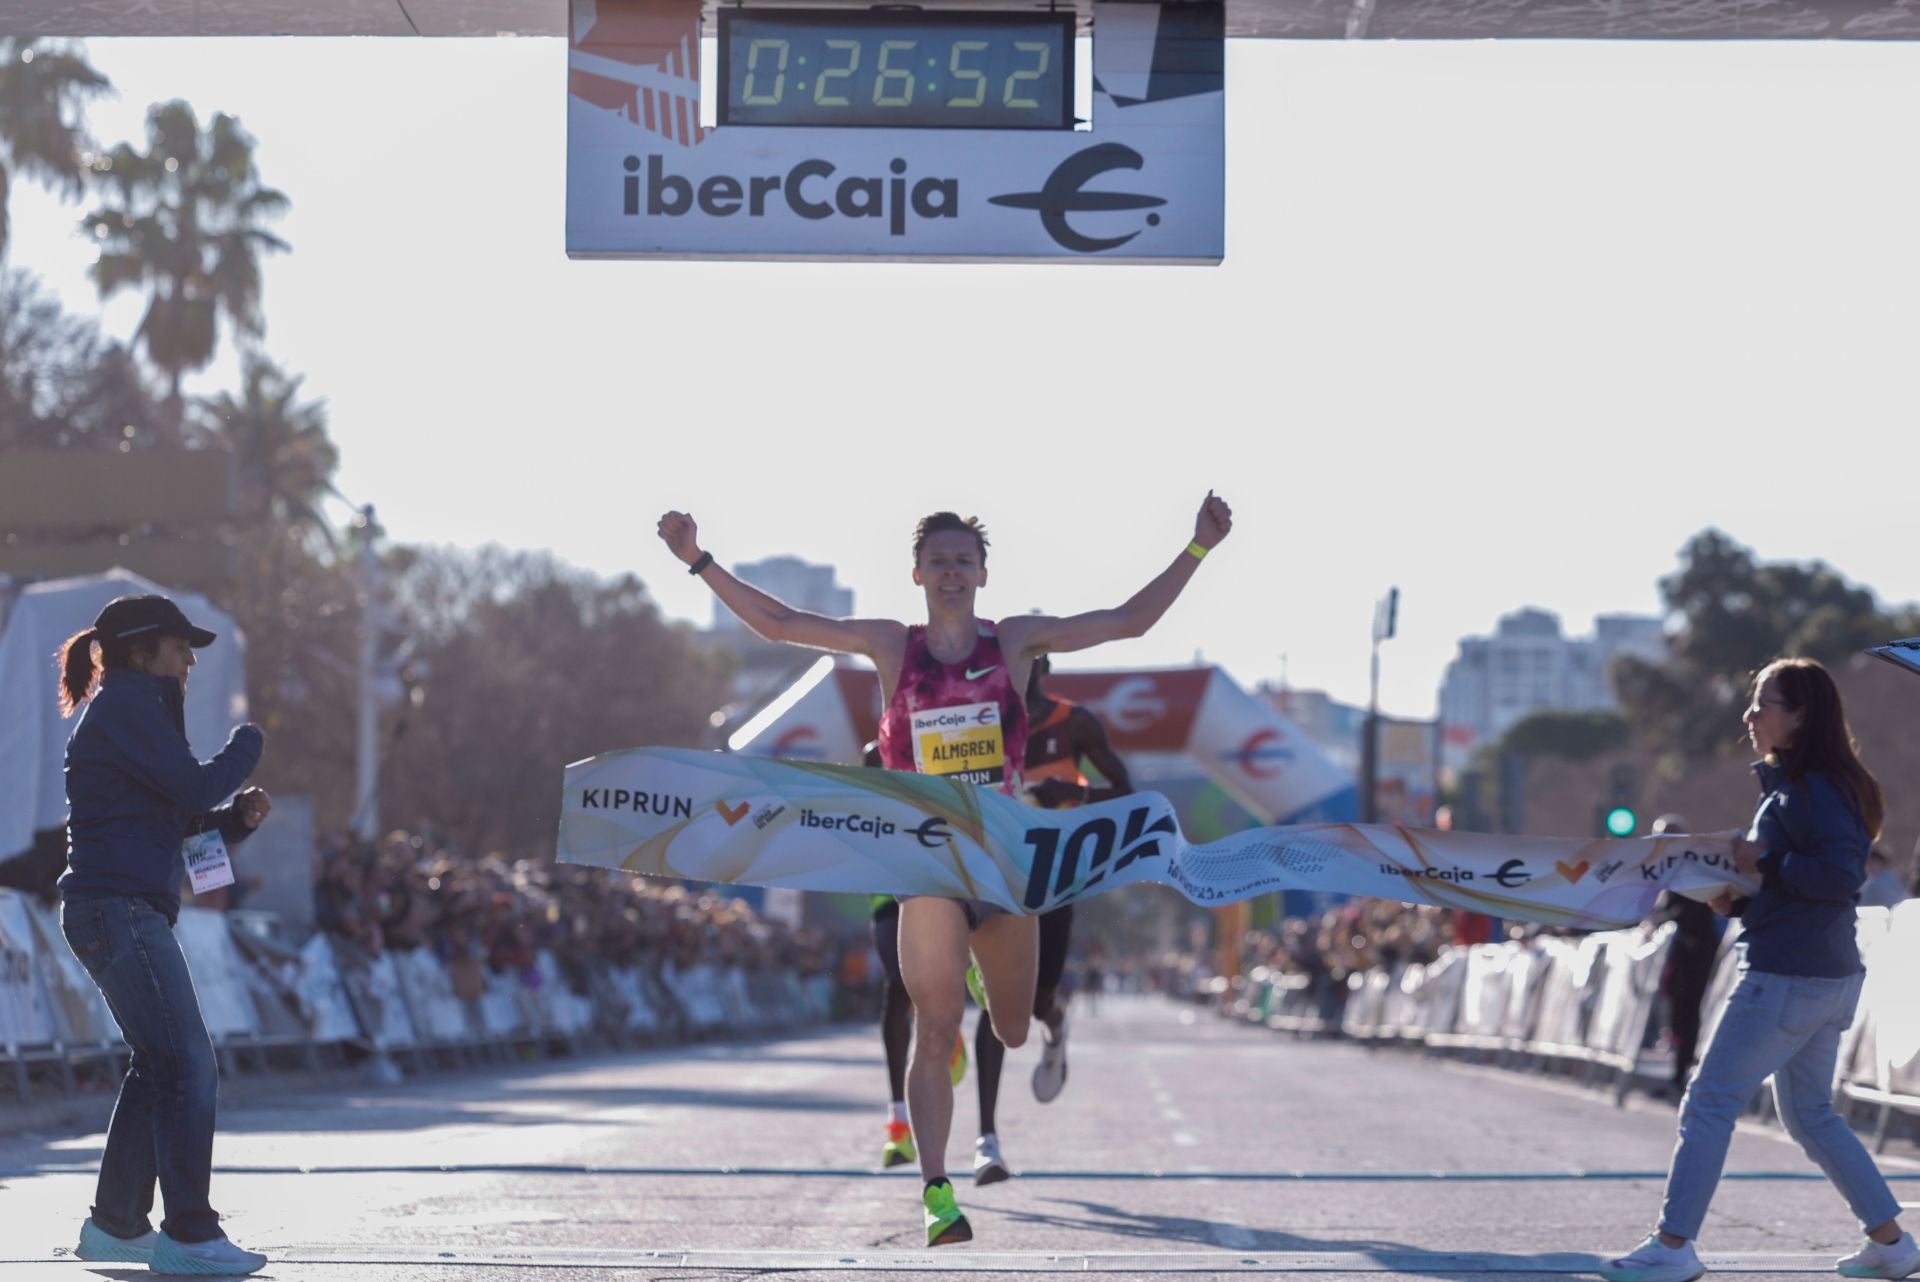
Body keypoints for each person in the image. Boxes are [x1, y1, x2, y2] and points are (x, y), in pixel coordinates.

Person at [658, 493, 1231, 1245]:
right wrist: (699, 561)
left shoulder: (1017, 643)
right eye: (939, 562)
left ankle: (972, 986)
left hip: (1004, 861)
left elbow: (1128, 621)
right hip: (926, 860)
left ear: (983, 573)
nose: (952, 572)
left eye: (964, 561)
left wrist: (1197, 549)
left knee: (1015, 1029)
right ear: (918, 574)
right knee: (934, 1027)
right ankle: (937, 1192)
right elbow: (782, 625)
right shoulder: (893, 646)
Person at [1603, 658, 1919, 1282]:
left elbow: (1836, 877)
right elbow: (1807, 875)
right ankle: (1890, 1242)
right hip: (1819, 974)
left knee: (1709, 1100)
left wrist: (1767, 866)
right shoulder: (1810, 785)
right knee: (1809, 1115)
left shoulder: (1812, 789)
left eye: (1764, 703)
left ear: (1801, 715)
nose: (1750, 714)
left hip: (1789, 976)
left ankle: (1672, 1245)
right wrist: (1743, 894)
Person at [55, 595, 274, 1276]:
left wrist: (234, 824)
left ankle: (118, 1226)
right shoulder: (126, 709)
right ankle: (190, 1234)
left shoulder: (138, 712)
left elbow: (176, 819)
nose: (190, 660)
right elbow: (194, 783)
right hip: (117, 909)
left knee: (160, 1066)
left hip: (117, 907)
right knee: (187, 1064)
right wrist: (250, 743)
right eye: (181, 647)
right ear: (144, 650)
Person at [970, 655, 1133, 1185]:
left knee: (1035, 999)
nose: (1012, 664)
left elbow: (1127, 792)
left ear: (1043, 663)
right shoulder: (976, 719)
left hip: (1057, 875)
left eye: (1025, 654)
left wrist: (1076, 794)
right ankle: (987, 1140)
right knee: (993, 1000)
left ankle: (1055, 1022)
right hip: (995, 873)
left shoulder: (1074, 723)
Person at [1645, 814, 1722, 1102]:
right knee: (1674, 1012)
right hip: (1679, 950)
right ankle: (1676, 1074)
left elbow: (1689, 909)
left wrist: (1658, 920)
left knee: (1688, 1012)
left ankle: (1681, 1077)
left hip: (1696, 950)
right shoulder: (1666, 866)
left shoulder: (1692, 864)